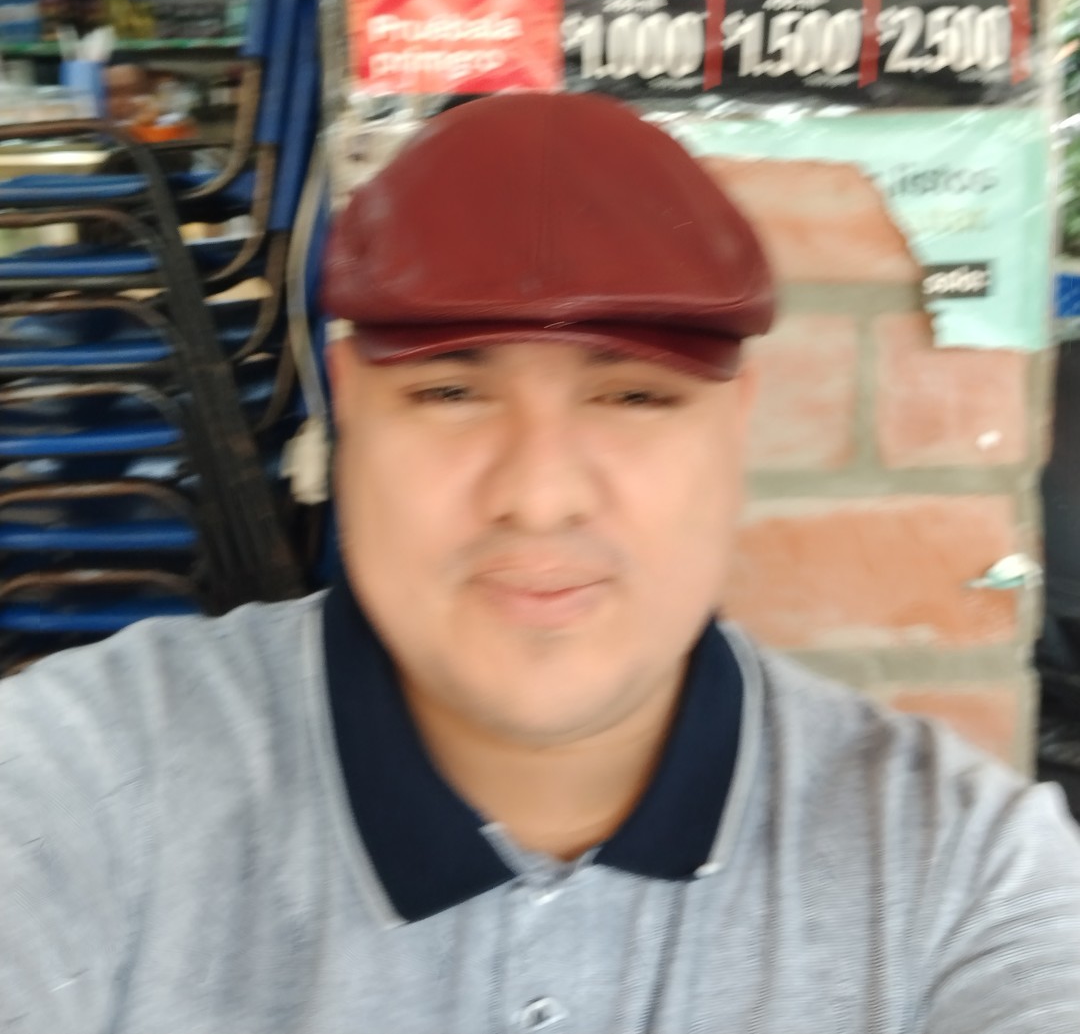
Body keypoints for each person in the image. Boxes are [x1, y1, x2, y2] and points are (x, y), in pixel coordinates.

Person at [2, 91, 1079, 1033]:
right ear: (349, 404)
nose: (540, 492)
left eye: (633, 395)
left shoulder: (955, 870)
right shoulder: (92, 783)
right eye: (450, 391)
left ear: (736, 423)